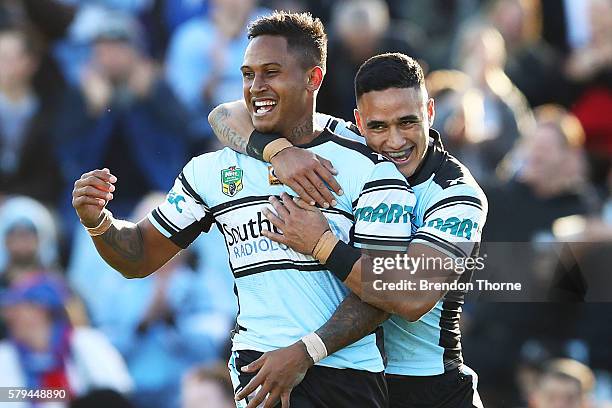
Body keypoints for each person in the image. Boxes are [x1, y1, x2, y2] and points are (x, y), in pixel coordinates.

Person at [72, 11, 416, 408]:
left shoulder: (366, 165)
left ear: (313, 79)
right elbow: (139, 256)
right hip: (258, 376)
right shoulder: (212, 169)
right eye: (248, 74)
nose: (256, 87)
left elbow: (385, 289)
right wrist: (98, 221)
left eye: (271, 72)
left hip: (345, 379)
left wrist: (305, 352)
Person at [209, 53, 487, 407]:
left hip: (430, 389)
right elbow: (223, 114)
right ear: (358, 121)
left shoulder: (456, 193)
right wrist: (279, 153)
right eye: (379, 127)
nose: (395, 141)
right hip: (355, 381)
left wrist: (322, 244)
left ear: (429, 113)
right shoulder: (347, 145)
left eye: (407, 122)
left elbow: (411, 296)